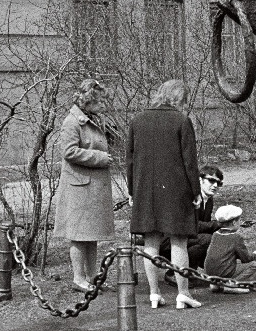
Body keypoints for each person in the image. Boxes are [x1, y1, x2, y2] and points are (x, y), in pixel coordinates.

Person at [126, 79, 203, 309]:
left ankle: (153, 294)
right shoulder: (181, 121)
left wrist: (132, 190)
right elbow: (190, 161)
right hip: (176, 191)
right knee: (179, 241)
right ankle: (183, 293)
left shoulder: (137, 120)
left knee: (150, 241)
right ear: (179, 98)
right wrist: (196, 191)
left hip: (145, 191)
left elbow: (130, 160)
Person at [53, 79, 115, 293]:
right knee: (79, 236)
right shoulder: (72, 122)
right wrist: (100, 157)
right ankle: (79, 278)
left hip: (90, 187)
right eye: (100, 101)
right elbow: (69, 152)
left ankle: (91, 277)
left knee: (91, 234)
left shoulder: (91, 119)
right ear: (88, 100)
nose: (103, 105)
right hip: (79, 187)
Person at [161, 164, 224, 287]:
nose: (215, 186)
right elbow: (189, 225)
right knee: (207, 239)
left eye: (219, 183)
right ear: (200, 180)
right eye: (211, 180)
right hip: (169, 239)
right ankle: (173, 273)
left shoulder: (209, 199)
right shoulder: (189, 196)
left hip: (187, 237)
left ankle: (189, 272)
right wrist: (215, 225)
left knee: (214, 238)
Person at [204, 205, 256, 294]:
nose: (240, 222)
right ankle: (231, 285)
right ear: (234, 223)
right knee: (253, 265)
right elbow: (246, 259)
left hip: (209, 271)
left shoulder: (215, 234)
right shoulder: (236, 237)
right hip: (224, 271)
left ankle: (216, 284)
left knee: (226, 261)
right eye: (239, 220)